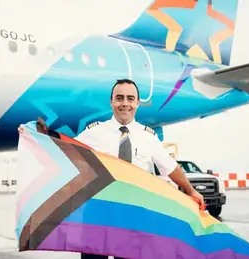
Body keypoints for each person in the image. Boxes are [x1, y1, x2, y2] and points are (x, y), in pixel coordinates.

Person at [19, 78, 205, 259]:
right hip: (97, 216)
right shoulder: (93, 133)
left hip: (133, 217)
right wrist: (35, 136)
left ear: (138, 103)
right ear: (111, 102)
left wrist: (190, 190)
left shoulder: (148, 137)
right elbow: (66, 151)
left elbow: (171, 168)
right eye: (120, 98)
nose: (125, 103)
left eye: (130, 98)